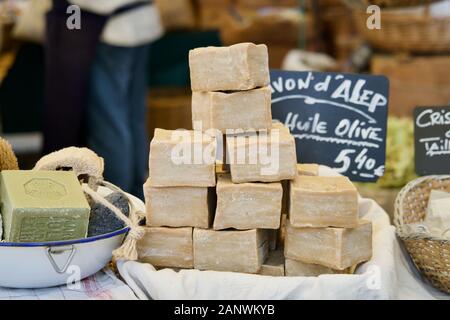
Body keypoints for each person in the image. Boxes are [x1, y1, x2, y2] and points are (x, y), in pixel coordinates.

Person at [67, 0, 164, 198]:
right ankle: (138, 197)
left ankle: (119, 200)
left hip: (113, 28)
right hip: (141, 20)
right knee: (132, 117)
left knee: (110, 122)